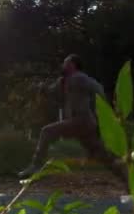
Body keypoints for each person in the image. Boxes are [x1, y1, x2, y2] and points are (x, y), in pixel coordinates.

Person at [18, 54, 127, 184]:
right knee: (101, 154)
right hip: (82, 124)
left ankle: (35, 166)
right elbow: (52, 91)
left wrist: (105, 111)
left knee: (46, 131)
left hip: (82, 120)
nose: (63, 65)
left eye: (65, 63)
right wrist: (41, 88)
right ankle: (125, 176)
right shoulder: (63, 81)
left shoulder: (80, 78)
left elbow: (98, 89)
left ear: (73, 65)